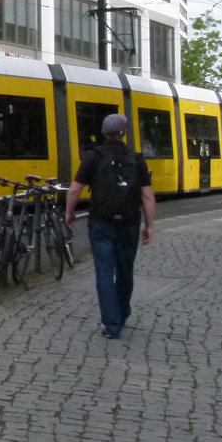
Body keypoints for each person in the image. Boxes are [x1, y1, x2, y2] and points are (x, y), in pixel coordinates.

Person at [65, 113, 156, 340]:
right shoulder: (136, 159)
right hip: (129, 222)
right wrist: (149, 225)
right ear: (123, 134)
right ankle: (123, 313)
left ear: (104, 133)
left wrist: (69, 212)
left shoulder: (93, 157)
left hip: (101, 223)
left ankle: (111, 324)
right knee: (125, 271)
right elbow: (147, 196)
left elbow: (75, 189)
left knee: (104, 272)